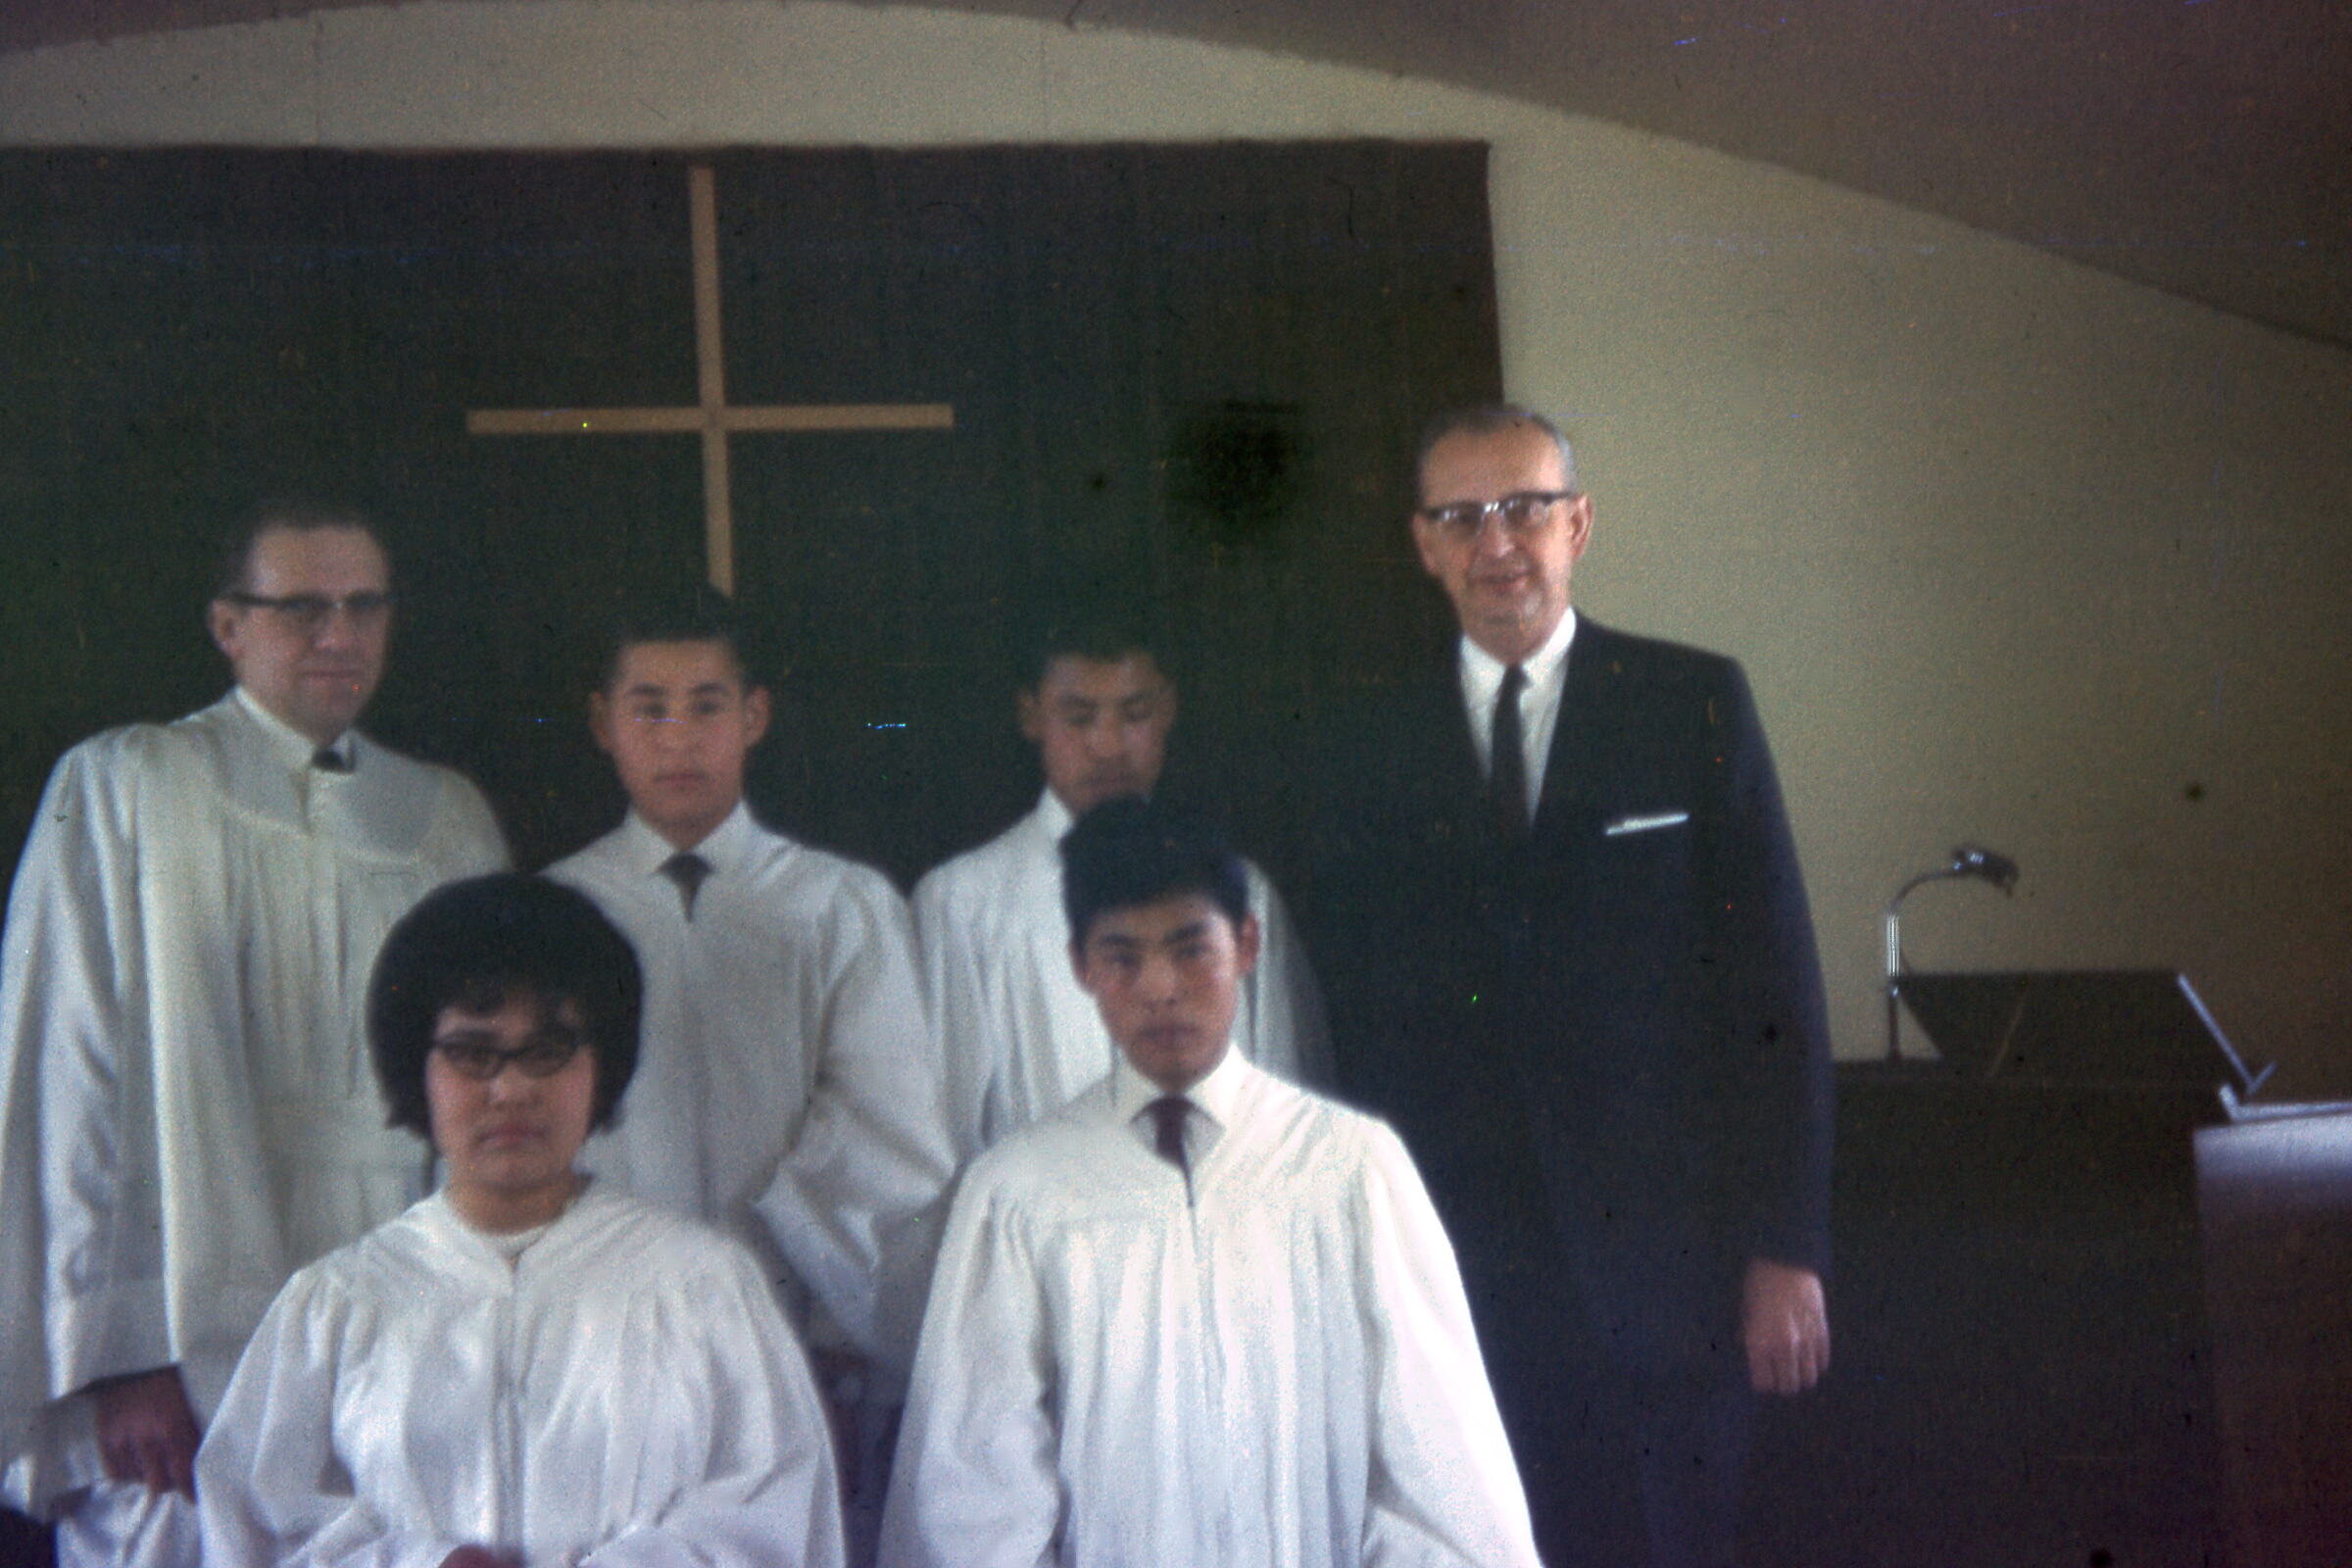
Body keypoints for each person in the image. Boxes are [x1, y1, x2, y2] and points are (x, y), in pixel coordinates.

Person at [1302, 407, 1835, 1568]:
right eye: (1463, 516)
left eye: (1528, 507)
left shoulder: (1692, 699)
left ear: (1579, 523)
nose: (1500, 541)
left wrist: (1786, 1245)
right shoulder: (1359, 738)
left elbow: (1777, 992)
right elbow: (1343, 1010)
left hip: (1671, 1264)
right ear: (1424, 545)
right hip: (1457, 1259)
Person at [0, 501, 508, 1567]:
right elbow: (69, 1078)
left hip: (401, 1297)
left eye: (366, 607)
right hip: (186, 1298)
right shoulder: (130, 785)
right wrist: (118, 1357)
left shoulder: (449, 818)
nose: (340, 636)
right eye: (304, 608)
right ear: (229, 625)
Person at [879, 797, 1539, 1568]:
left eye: (1192, 948)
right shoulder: (1021, 1194)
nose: (1160, 988)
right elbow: (975, 1494)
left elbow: (1437, 1468)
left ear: (1247, 943)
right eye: (1122, 956)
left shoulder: (1349, 1169)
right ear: (1081, 967)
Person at [197, 873, 846, 1568]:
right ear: (418, 1069)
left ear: (602, 1066)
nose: (510, 1090)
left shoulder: (699, 1284)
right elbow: (256, 1526)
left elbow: (778, 1509)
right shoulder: (339, 1304)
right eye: (472, 1053)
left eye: (548, 1050)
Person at [544, 588, 954, 1408]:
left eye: (707, 706)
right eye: (649, 709)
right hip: (605, 1338)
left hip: (791, 1334)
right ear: (602, 725)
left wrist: (834, 1330)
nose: (680, 739)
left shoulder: (839, 905)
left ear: (755, 715)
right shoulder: (556, 911)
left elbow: (887, 1129)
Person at [912, 615, 1329, 1156]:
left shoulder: (1238, 890)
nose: (1108, 747)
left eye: (1134, 714)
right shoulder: (963, 905)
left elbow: (1283, 1101)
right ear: (1031, 715)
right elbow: (940, 1138)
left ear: (1168, 710)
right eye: (1079, 718)